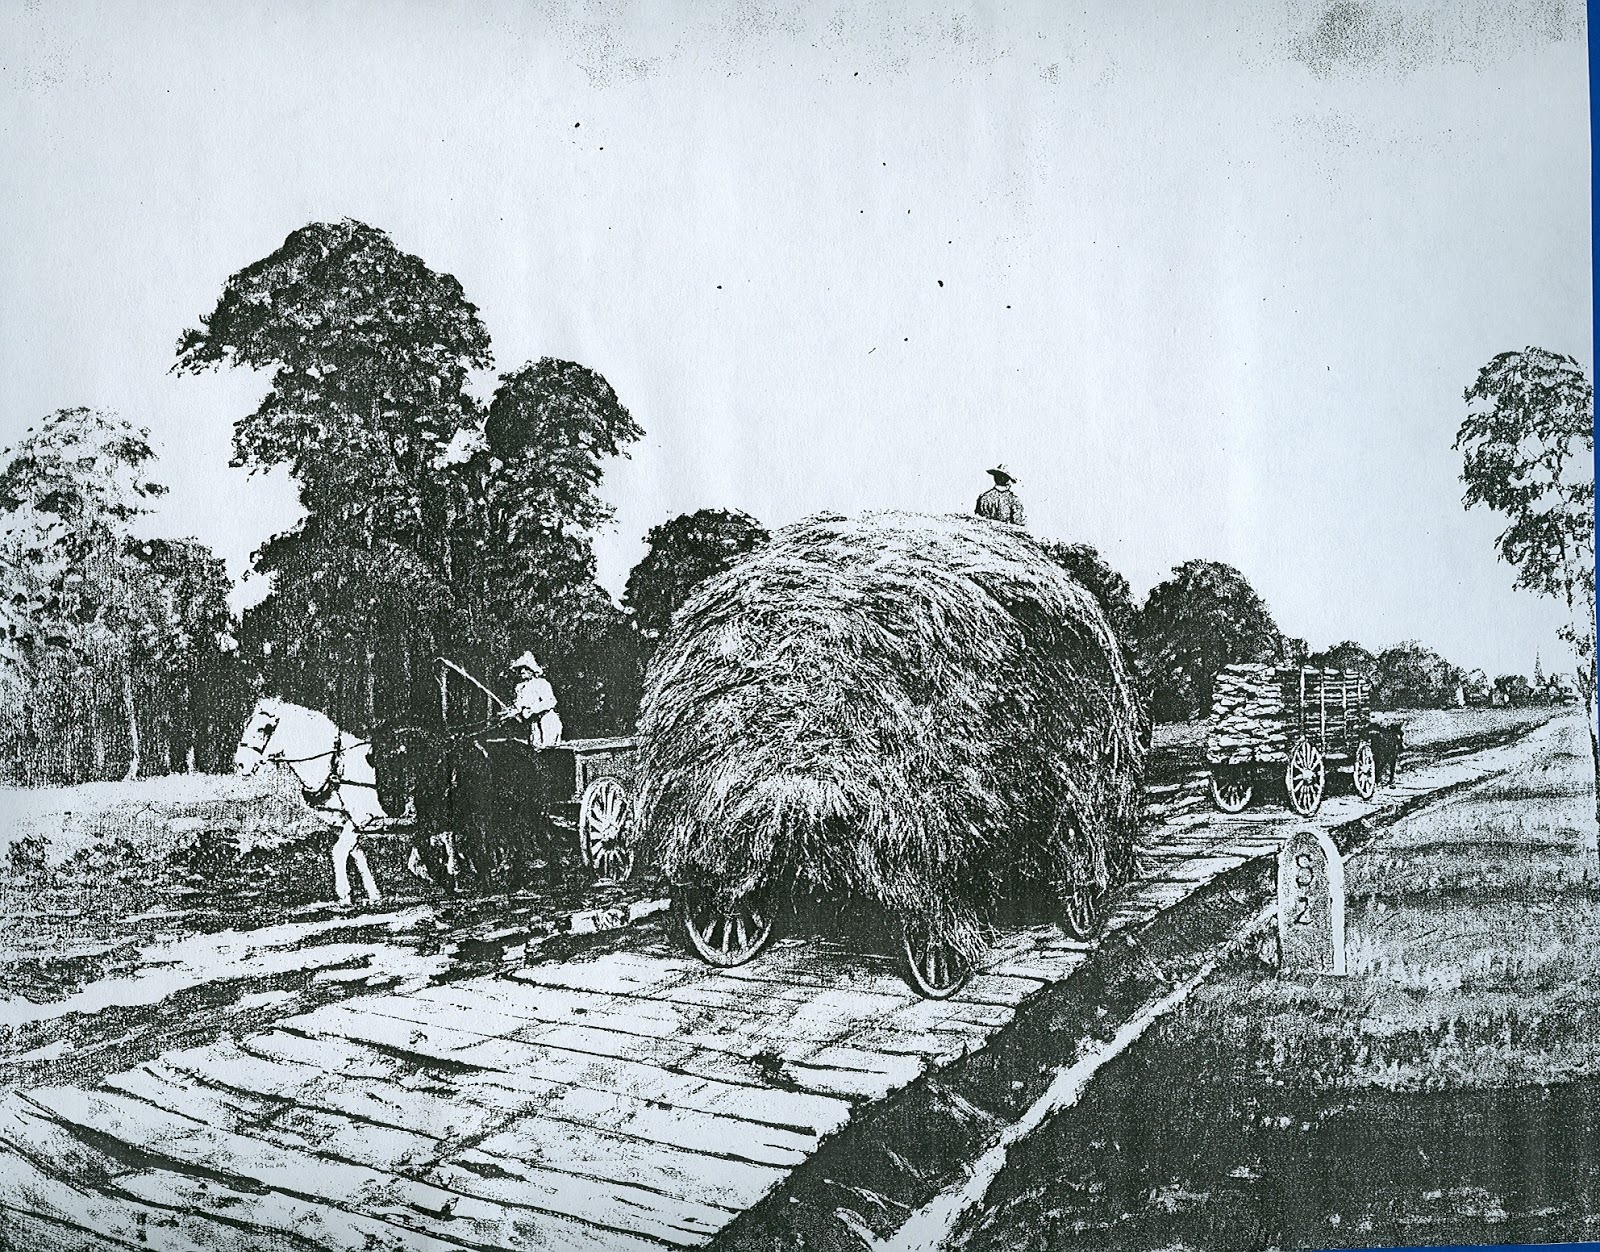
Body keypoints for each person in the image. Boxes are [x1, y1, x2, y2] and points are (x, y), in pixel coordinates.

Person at [507, 652, 564, 748]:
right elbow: (519, 705)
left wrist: (532, 710)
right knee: (535, 747)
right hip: (534, 723)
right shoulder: (520, 687)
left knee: (549, 748)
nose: (522, 671)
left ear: (532, 670)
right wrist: (511, 713)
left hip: (547, 720)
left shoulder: (542, 683)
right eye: (520, 669)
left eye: (525, 668)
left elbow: (550, 701)